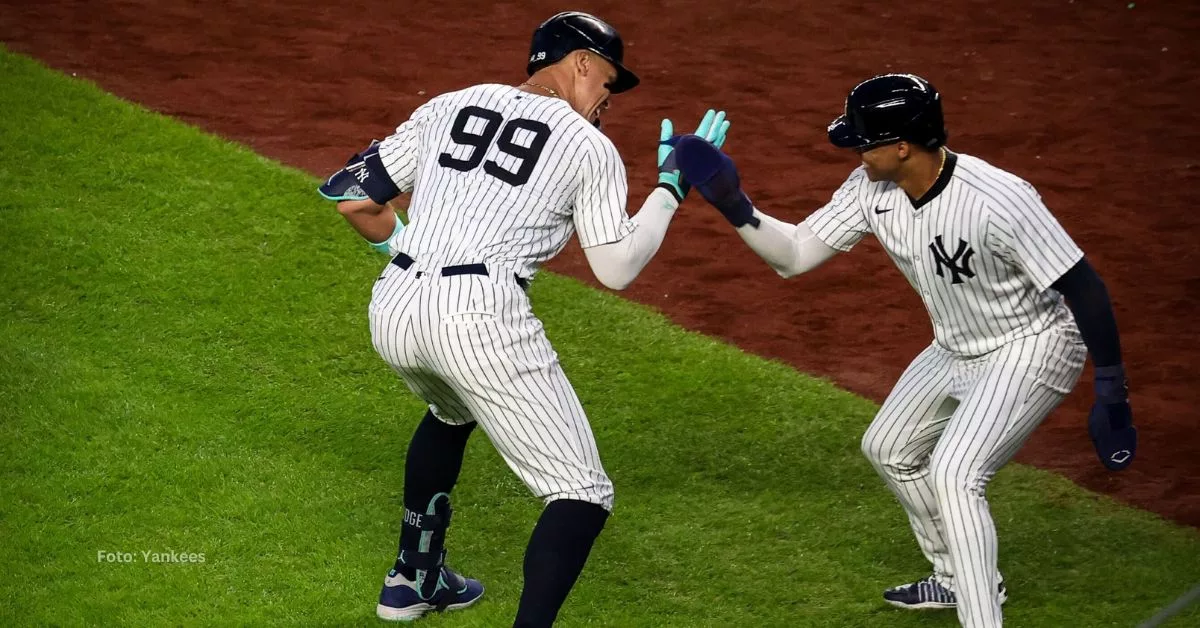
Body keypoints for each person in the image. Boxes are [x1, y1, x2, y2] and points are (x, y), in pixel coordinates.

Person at [670, 73, 1137, 628]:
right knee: (888, 446)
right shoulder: (871, 188)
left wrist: (1111, 391)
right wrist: (735, 205)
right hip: (956, 345)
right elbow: (794, 254)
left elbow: (1084, 286)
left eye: (866, 142)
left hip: (1032, 344)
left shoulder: (999, 200)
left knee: (956, 473)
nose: (857, 152)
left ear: (902, 146)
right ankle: (956, 577)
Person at [316, 11, 730, 626]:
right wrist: (670, 188)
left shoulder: (450, 104)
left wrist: (405, 252)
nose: (607, 101)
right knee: (583, 494)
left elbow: (352, 196)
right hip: (480, 317)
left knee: (450, 411)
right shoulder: (588, 147)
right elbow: (617, 268)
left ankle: (413, 579)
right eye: (608, 84)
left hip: (394, 304)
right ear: (582, 63)